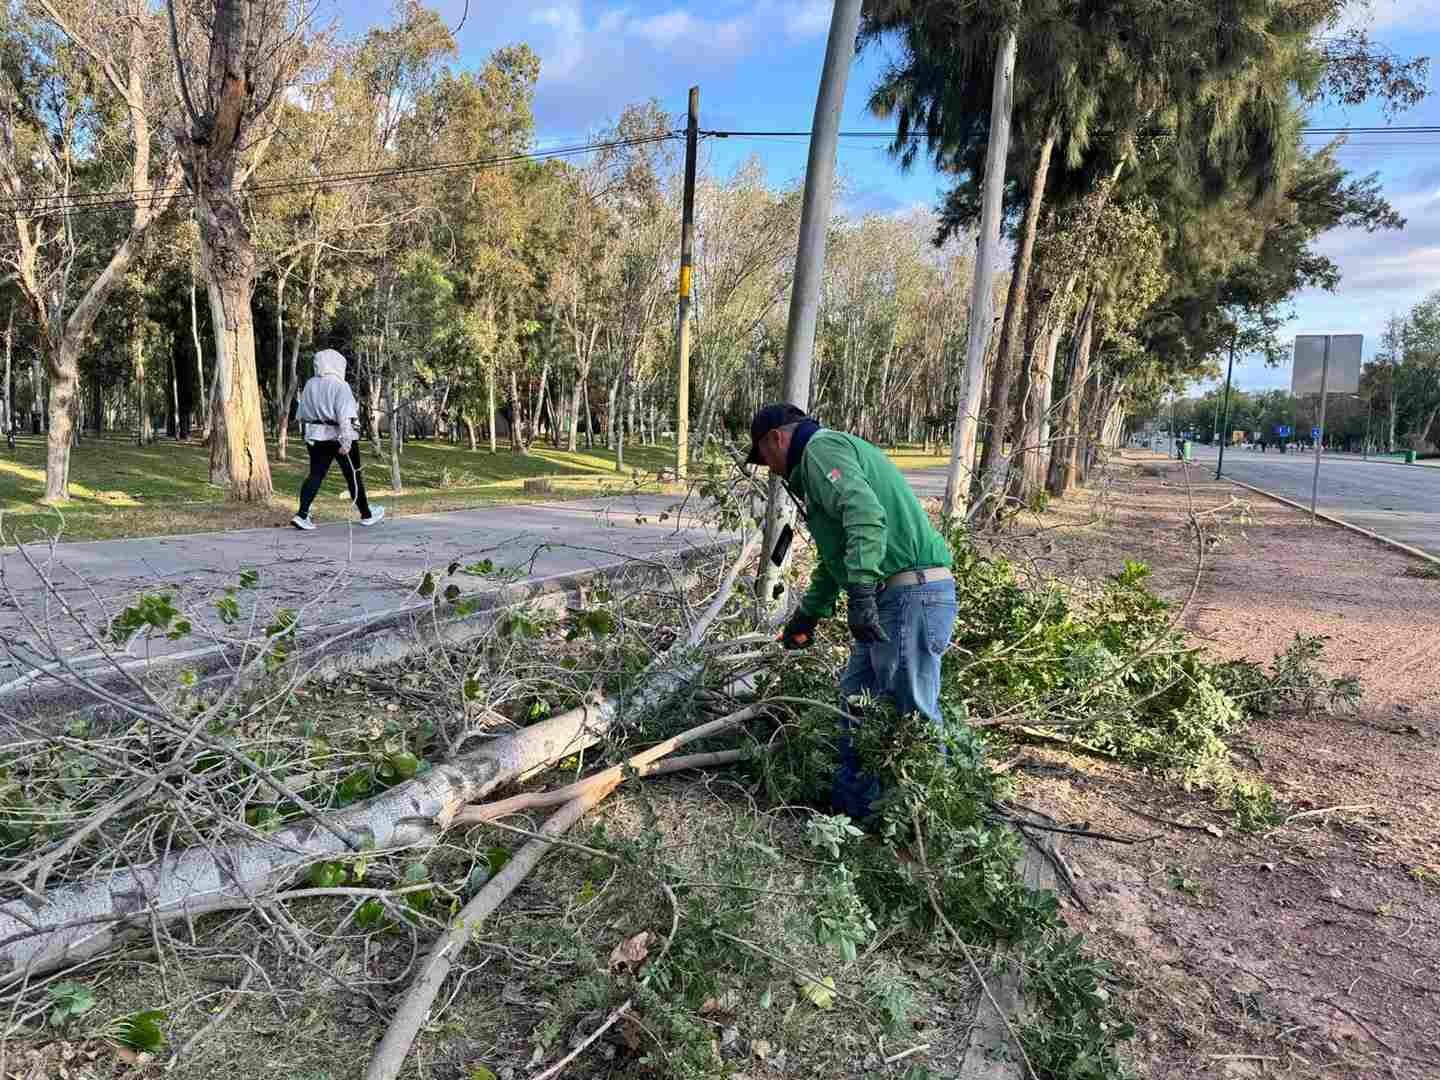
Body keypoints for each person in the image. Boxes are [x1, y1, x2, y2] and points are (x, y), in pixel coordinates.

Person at [746, 403, 958, 818]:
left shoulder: (822, 451)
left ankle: (933, 822)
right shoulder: (817, 467)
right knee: (856, 702)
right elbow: (836, 555)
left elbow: (865, 516)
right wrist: (809, 614)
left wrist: (860, 591)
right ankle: (856, 815)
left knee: (909, 712)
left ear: (777, 438)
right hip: (889, 598)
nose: (769, 469)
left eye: (764, 456)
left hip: (909, 596)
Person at [292, 348, 384, 530]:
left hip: (316, 436)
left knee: (315, 474)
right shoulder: (340, 385)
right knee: (353, 476)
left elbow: (301, 413)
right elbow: (344, 416)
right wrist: (347, 441)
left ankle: (302, 514)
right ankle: (367, 514)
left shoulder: (310, 384)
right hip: (338, 436)